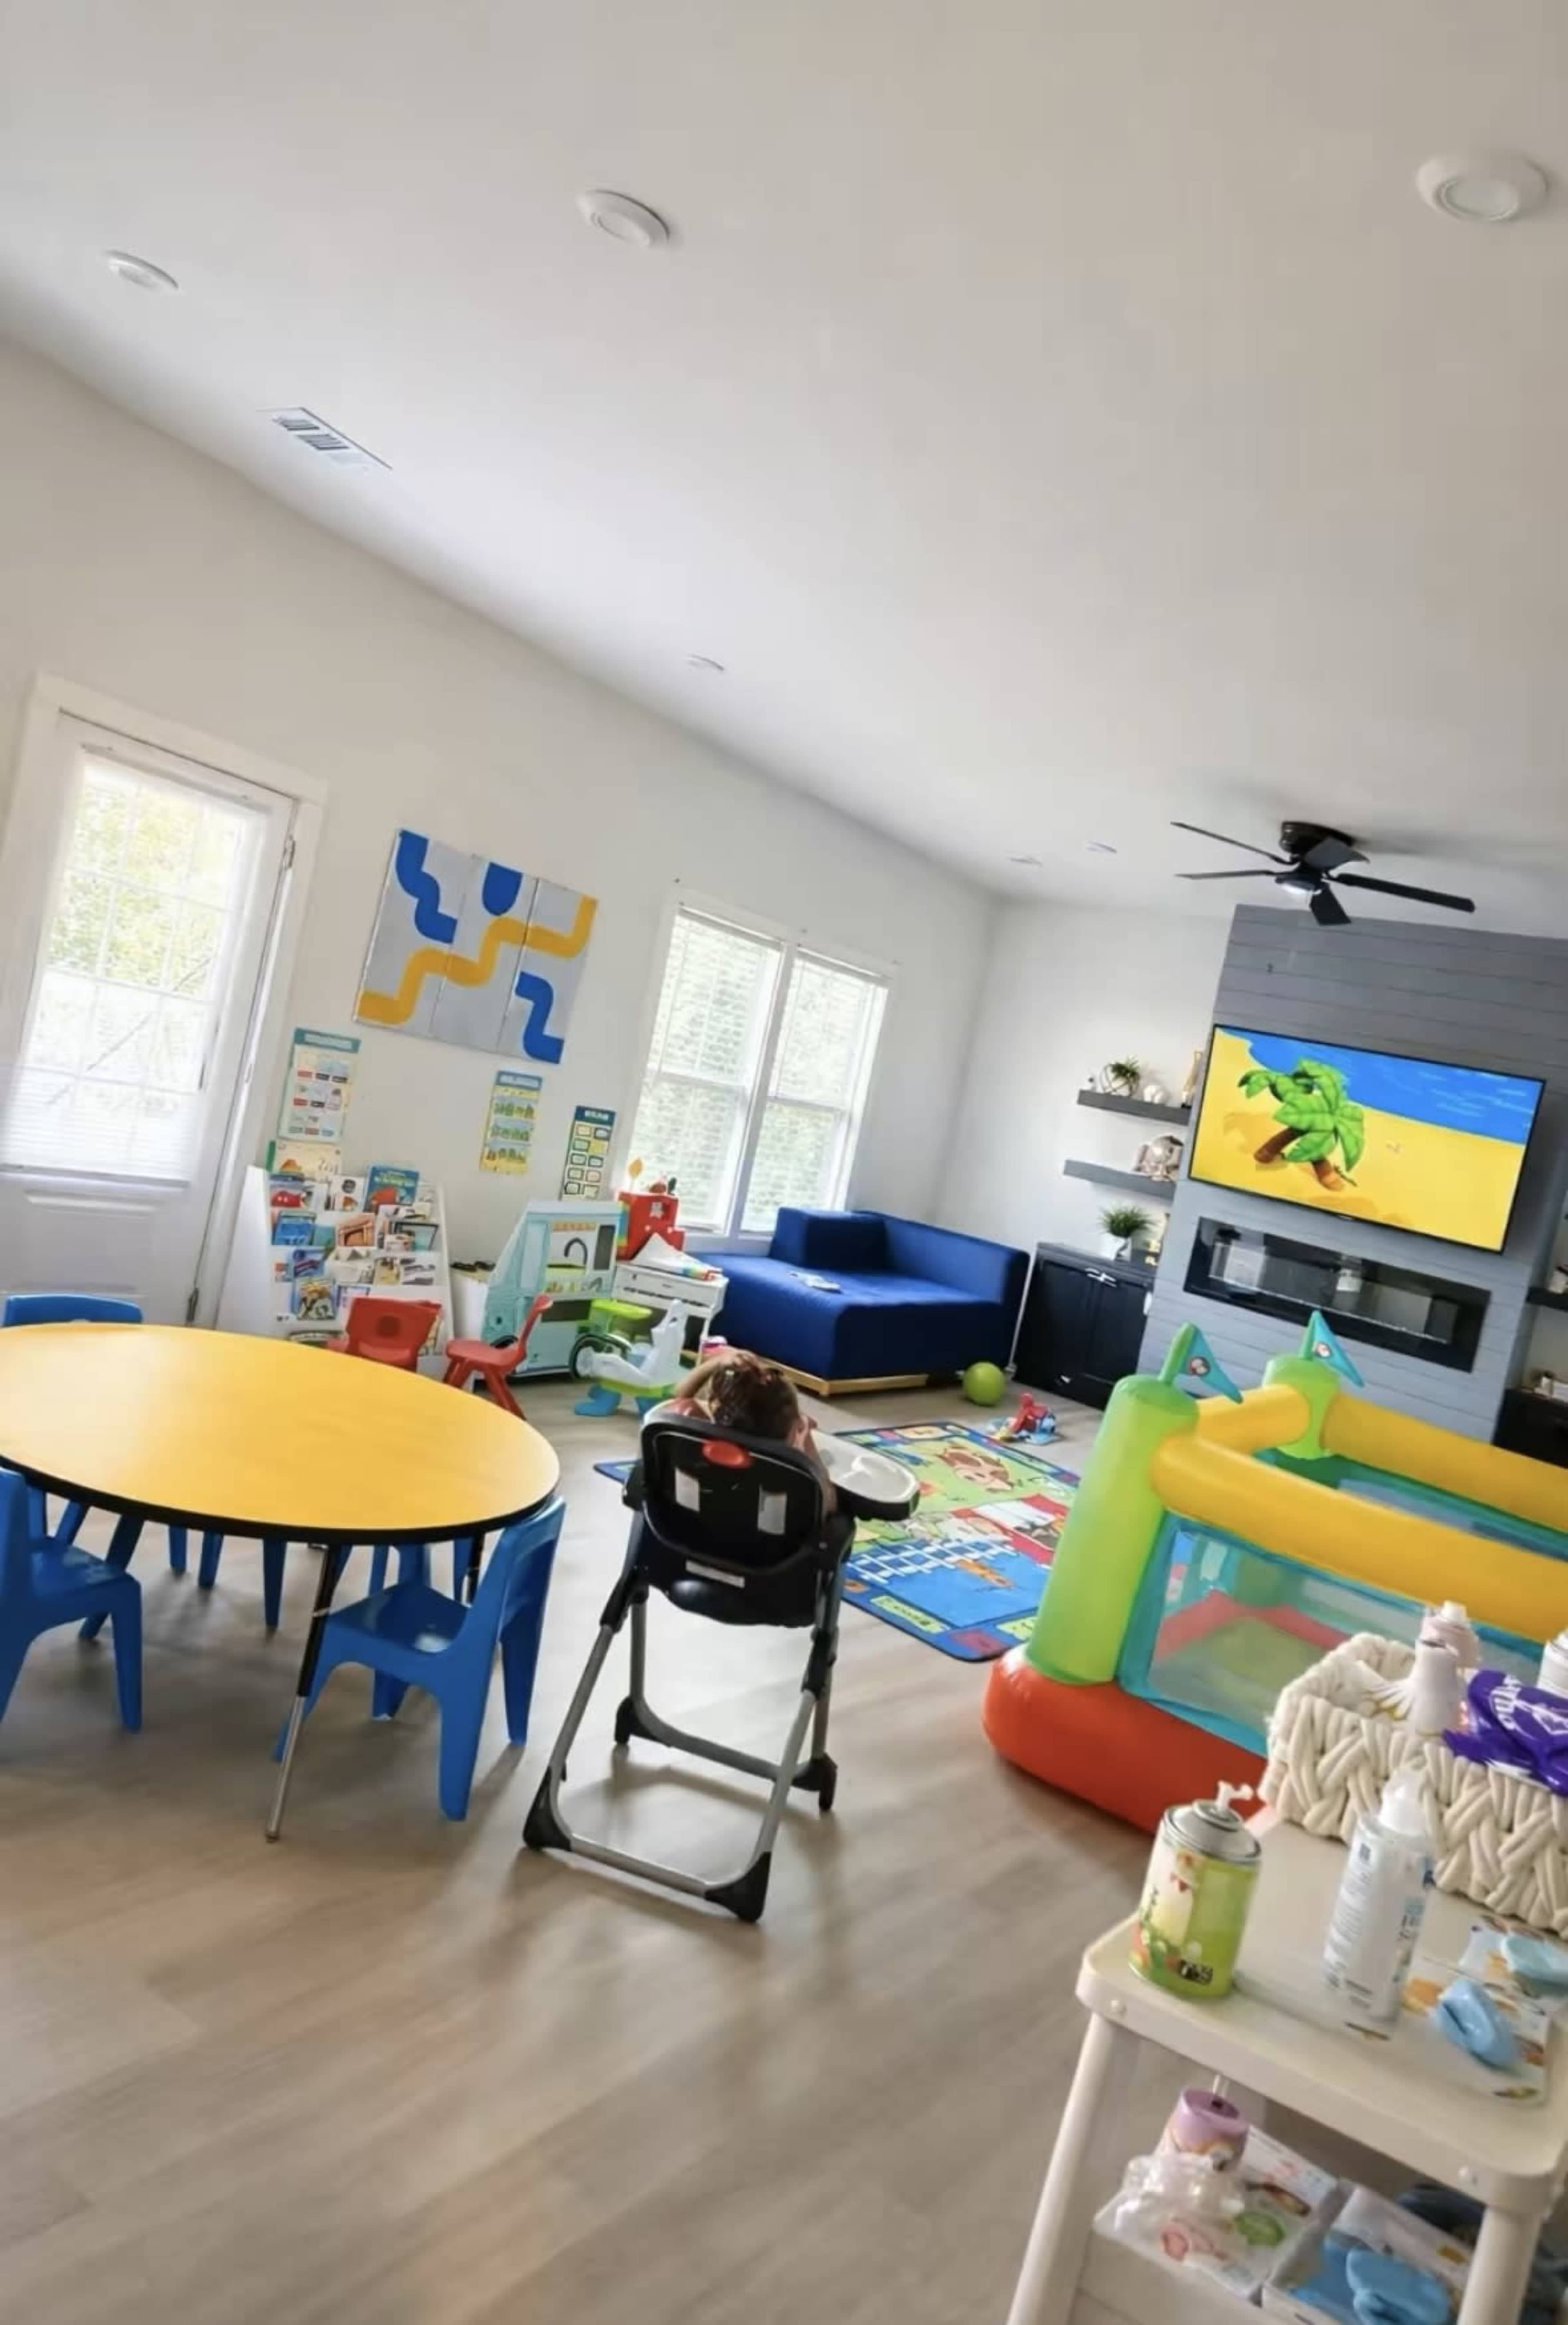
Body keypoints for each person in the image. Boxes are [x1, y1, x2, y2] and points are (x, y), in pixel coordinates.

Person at [653, 1349, 834, 1504]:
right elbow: (828, 1502)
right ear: (794, 1429)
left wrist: (717, 1362)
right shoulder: (793, 1476)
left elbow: (680, 1398)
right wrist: (807, 1442)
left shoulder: (693, 1448)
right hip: (761, 1543)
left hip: (686, 1535)